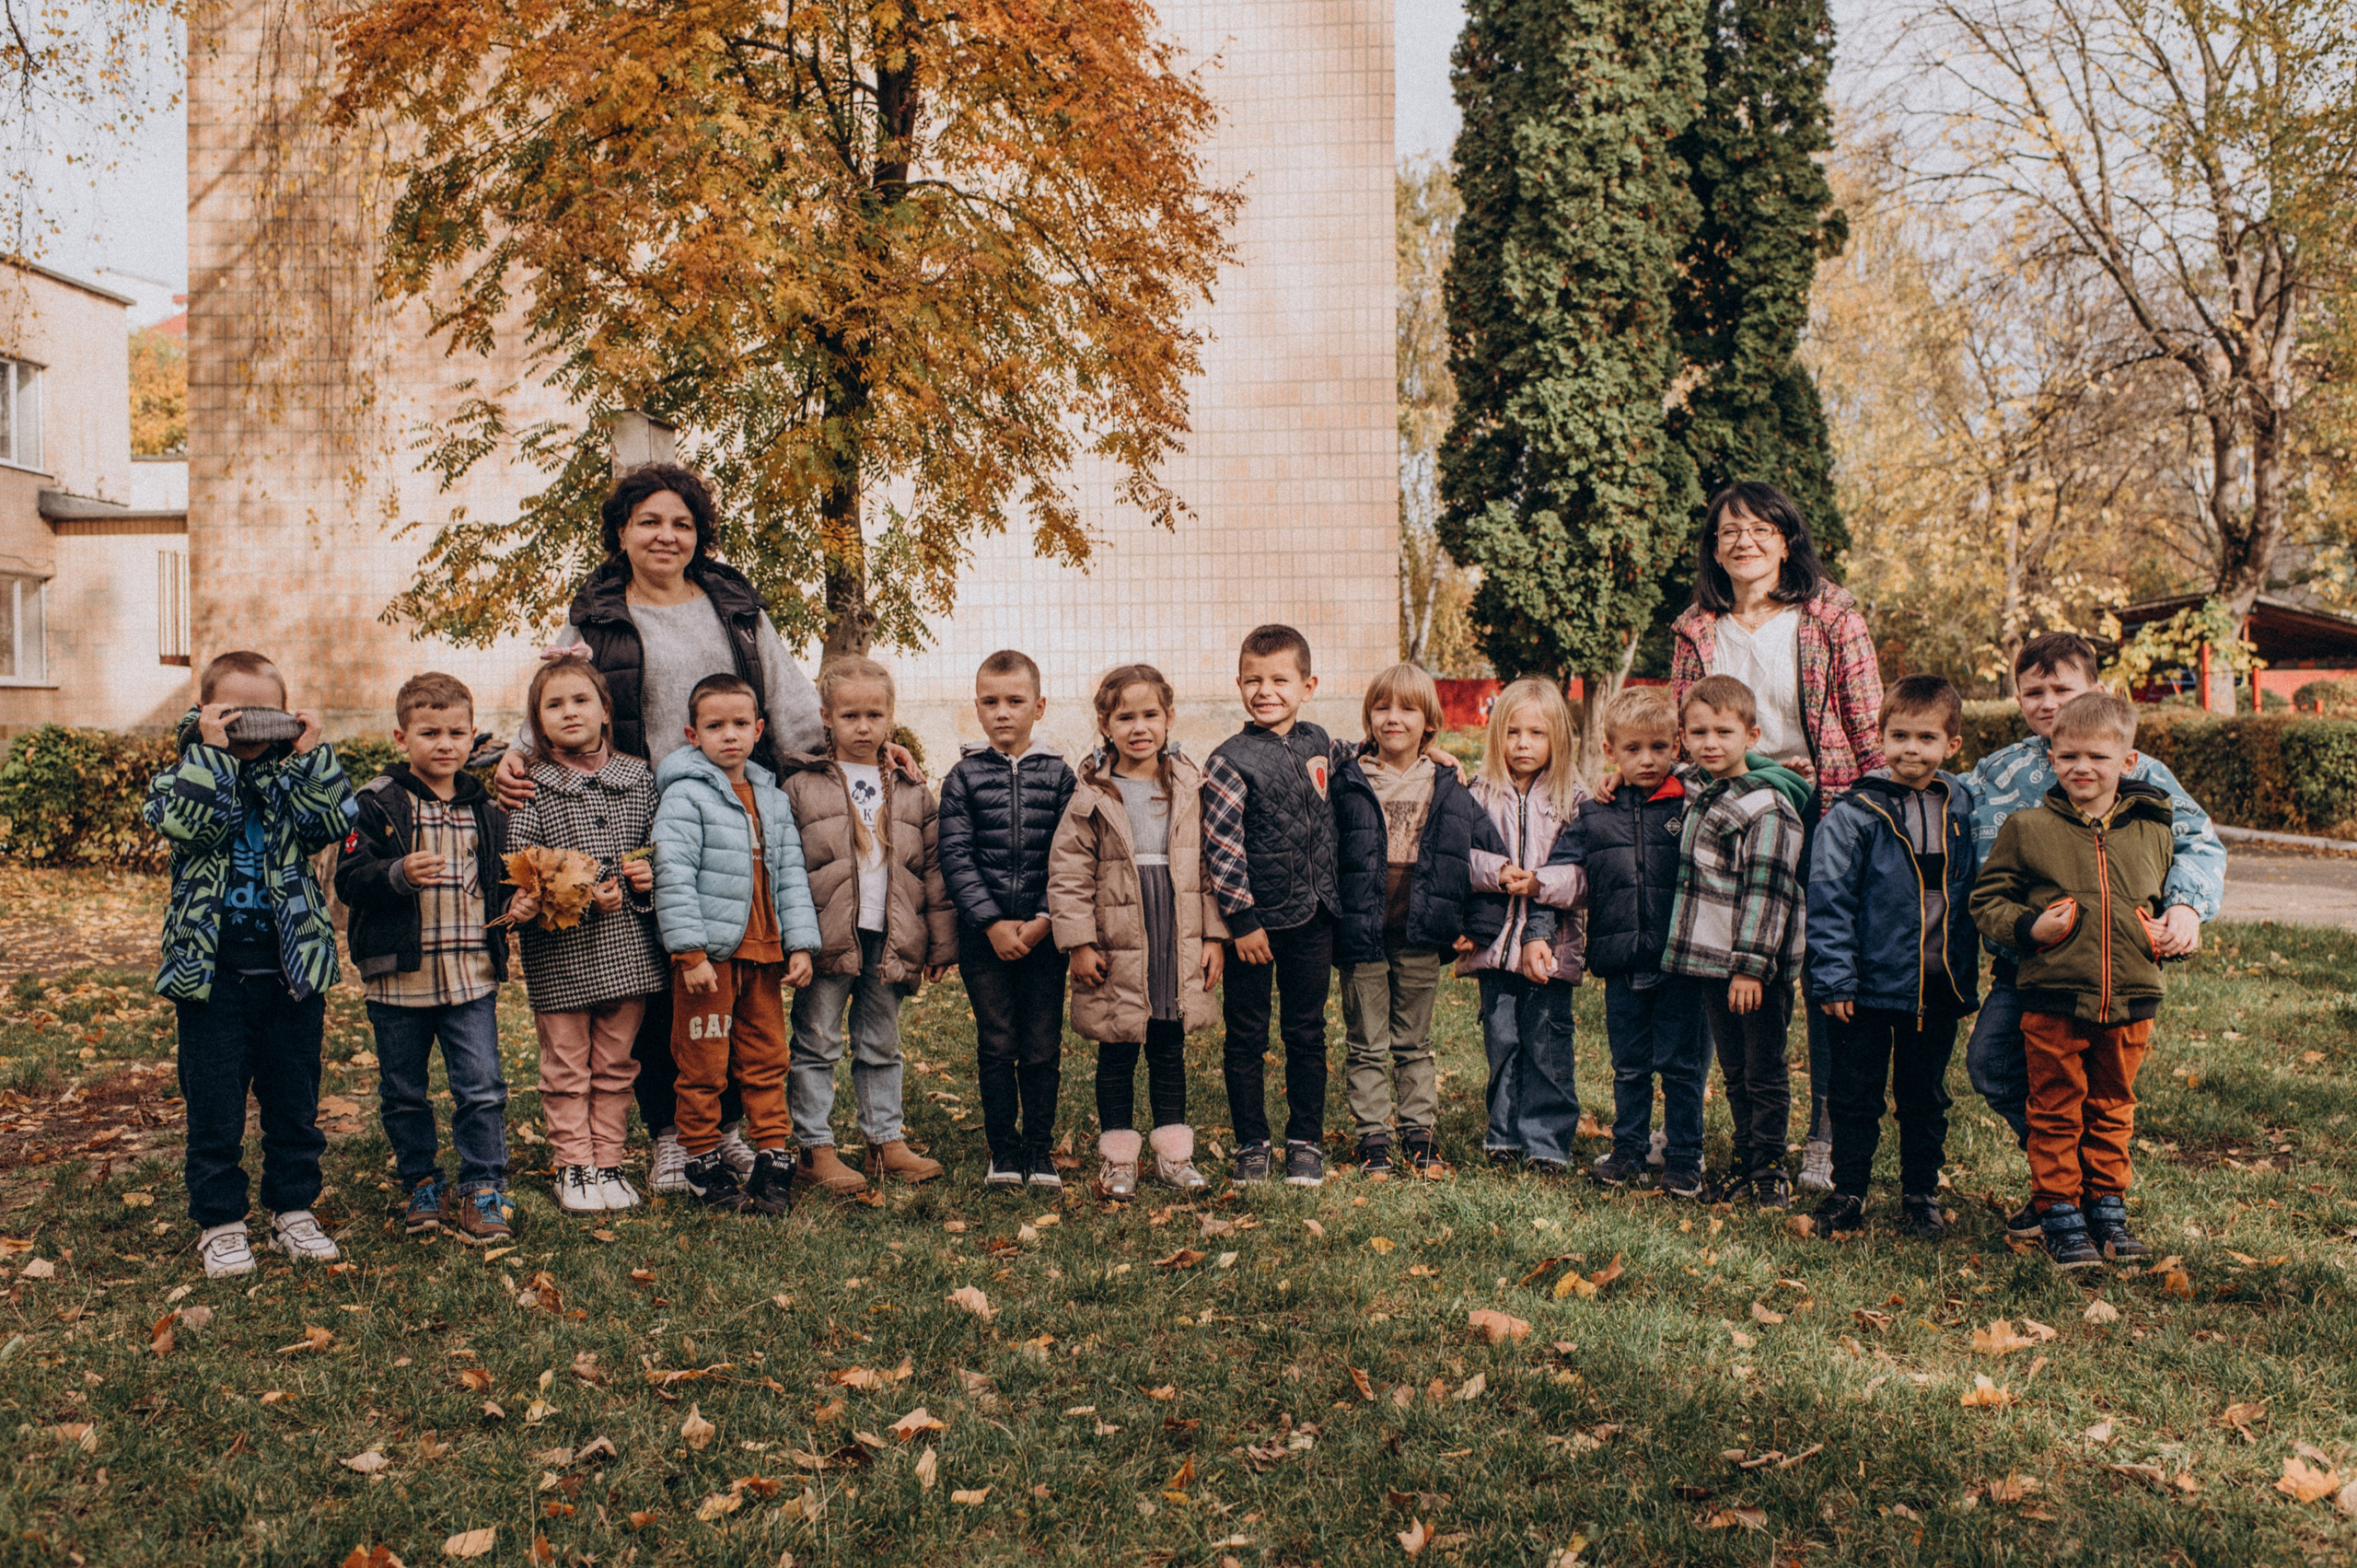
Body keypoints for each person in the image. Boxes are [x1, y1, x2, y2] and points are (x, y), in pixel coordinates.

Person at [493, 463, 844, 1197]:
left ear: (699, 535)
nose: (666, 535)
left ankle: (729, 1131)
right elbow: (554, 697)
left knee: (728, 974)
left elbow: (789, 697)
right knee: (652, 977)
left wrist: (859, 754)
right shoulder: (595, 615)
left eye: (682, 523)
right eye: (650, 521)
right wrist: (508, 758)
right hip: (627, 808)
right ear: (621, 532)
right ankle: (672, 1138)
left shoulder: (735, 608)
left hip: (724, 813)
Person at [1963, 632, 2218, 1243]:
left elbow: (2198, 841)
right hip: (2028, 963)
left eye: (2063, 688)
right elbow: (1951, 818)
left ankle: (2069, 1198)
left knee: (2103, 1091)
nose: (2048, 702)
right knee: (1992, 1066)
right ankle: (2066, 1185)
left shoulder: (2138, 770)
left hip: (2115, 968)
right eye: (2034, 691)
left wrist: (2185, 907)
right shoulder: (1998, 772)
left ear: (2095, 690)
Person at [1669, 481, 1886, 1191]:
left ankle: (1824, 1135)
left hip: (1828, 809)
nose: (1745, 541)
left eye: (1761, 528)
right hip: (1735, 814)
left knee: (1827, 972)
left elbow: (1865, 724)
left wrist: (1879, 807)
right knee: (1735, 971)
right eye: (1729, 531)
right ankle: (1735, 1140)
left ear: (1786, 540)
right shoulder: (1698, 632)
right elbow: (1685, 732)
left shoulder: (1830, 619)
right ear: (1714, 548)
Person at [145, 650, 356, 1279]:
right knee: (214, 1104)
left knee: (295, 1101)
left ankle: (293, 1207)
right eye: (232, 710)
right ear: (205, 710)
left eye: (263, 711)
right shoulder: (180, 776)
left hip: (293, 972)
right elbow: (190, 826)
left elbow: (334, 823)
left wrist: (309, 754)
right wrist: (210, 753)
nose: (249, 726)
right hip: (210, 975)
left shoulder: (293, 776)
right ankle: (221, 1221)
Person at [334, 671, 516, 1245]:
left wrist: (519, 902)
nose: (445, 744)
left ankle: (483, 1185)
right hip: (399, 979)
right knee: (404, 1090)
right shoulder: (377, 803)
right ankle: (422, 1180)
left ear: (472, 737)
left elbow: (497, 880)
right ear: (400, 737)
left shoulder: (484, 807)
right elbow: (348, 879)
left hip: (469, 975)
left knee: (481, 1086)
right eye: (430, 732)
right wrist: (396, 872)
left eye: (457, 733)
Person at [1202, 623, 1382, 1190]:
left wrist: (1427, 750)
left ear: (1308, 685)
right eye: (1253, 680)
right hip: (1257, 925)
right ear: (1237, 684)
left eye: (1280, 679)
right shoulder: (1229, 760)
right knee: (1246, 1036)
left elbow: (1362, 752)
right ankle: (1252, 1143)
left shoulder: (1320, 741)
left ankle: (1304, 1140)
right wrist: (1243, 922)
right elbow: (1222, 847)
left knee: (1306, 1031)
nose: (1265, 691)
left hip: (1314, 915)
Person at [1805, 675, 1980, 1240]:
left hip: (1936, 984)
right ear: (1881, 737)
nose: (1912, 749)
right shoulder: (1855, 812)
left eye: (1926, 738)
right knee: (1855, 1094)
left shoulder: (1963, 807)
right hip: (1866, 986)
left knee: (1924, 1095)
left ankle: (1919, 1193)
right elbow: (1828, 898)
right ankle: (1848, 1189)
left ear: (1951, 745)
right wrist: (1834, 979)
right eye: (1899, 735)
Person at [1048, 665, 1225, 1199]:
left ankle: (1174, 1156)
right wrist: (1079, 942)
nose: (1139, 727)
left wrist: (1215, 936)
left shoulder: (1190, 788)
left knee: (1168, 1047)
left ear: (1169, 719)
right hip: (1118, 939)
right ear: (1105, 724)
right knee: (1118, 1046)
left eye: (1151, 714)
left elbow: (1210, 869)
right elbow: (1069, 873)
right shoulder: (1092, 795)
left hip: (1177, 936)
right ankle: (1119, 1159)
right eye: (1125, 716)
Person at [781, 656, 957, 1195]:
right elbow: (787, 867)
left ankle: (885, 1141)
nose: (863, 726)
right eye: (850, 715)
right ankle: (814, 1147)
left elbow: (931, 869)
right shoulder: (801, 786)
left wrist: (939, 943)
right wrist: (796, 939)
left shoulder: (910, 788)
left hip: (891, 937)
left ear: (891, 717)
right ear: (826, 716)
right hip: (829, 935)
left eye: (874, 714)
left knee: (881, 1043)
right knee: (816, 1042)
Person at [650, 674, 822, 1215]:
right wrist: (690, 953)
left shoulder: (770, 797)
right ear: (691, 733)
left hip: (765, 955)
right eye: (715, 725)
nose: (730, 735)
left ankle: (773, 1156)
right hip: (711, 961)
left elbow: (791, 872)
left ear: (759, 729)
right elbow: (671, 874)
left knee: (767, 1057)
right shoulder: (684, 795)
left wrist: (800, 944)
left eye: (740, 724)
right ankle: (701, 1158)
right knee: (702, 1060)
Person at [504, 658, 667, 1214]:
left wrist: (644, 880)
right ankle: (573, 1164)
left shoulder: (639, 777)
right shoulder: (532, 784)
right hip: (560, 952)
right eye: (554, 705)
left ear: (604, 709)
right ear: (538, 720)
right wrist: (547, 895)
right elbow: (520, 865)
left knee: (617, 1063)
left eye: (580, 701)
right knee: (567, 1064)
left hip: (628, 949)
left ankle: (610, 1160)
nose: (569, 712)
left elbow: (653, 848)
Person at [1547, 685, 1708, 1199]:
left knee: (1681, 1067)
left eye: (1659, 748)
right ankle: (1629, 1148)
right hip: (1620, 960)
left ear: (1677, 746)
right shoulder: (1596, 812)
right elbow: (1561, 866)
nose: (1646, 759)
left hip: (1679, 960)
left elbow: (1733, 771)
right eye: (1633, 749)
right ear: (1609, 751)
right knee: (1630, 1064)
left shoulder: (1692, 801)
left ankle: (1684, 1156)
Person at [1659, 675, 1811, 1208]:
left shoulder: (1766, 807)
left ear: (1753, 735)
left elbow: (1769, 892)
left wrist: (1750, 966)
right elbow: (1665, 771)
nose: (1711, 743)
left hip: (1755, 968)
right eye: (1698, 732)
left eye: (1724, 731)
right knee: (1734, 1069)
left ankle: (1769, 1167)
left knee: (1763, 1068)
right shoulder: (1705, 786)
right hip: (1714, 962)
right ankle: (1746, 1160)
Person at [1337, 663, 1488, 1178]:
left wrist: (1478, 925)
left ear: (1430, 722)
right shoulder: (1348, 780)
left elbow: (1487, 854)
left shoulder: (1447, 784)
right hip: (1362, 935)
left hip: (1424, 934)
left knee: (1413, 1042)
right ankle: (1373, 1137)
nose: (1392, 718)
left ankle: (1419, 1134)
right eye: (1382, 707)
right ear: (1368, 717)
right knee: (1366, 1042)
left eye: (1407, 708)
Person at [936, 649, 1077, 1191]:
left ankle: (1038, 1150)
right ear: (977, 708)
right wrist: (992, 923)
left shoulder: (1060, 776)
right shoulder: (963, 778)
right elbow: (956, 856)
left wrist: (1045, 918)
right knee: (997, 1042)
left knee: (1041, 1043)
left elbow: (1067, 855)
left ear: (1038, 707)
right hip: (984, 938)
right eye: (991, 702)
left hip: (1044, 936)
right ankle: (1003, 1150)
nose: (1003, 712)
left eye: (1015, 701)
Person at [1459, 678, 1590, 1174]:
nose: (1523, 745)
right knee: (1503, 1041)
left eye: (1537, 733)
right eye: (1512, 732)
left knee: (1548, 1046)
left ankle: (1547, 1144)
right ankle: (1504, 1136)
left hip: (1552, 948)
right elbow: (1458, 857)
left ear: (1557, 736)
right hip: (1495, 946)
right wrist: (1494, 872)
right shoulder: (1478, 793)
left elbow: (1585, 877)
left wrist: (1540, 884)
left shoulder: (1574, 800)